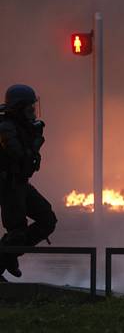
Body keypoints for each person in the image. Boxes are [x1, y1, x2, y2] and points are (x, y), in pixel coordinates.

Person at [0, 84, 57, 282]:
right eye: (29, 109)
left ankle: (8, 255)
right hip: (9, 186)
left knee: (47, 219)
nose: (33, 112)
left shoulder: (21, 127)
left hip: (20, 184)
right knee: (17, 233)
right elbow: (20, 157)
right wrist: (34, 143)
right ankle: (4, 258)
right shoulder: (6, 128)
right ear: (19, 108)